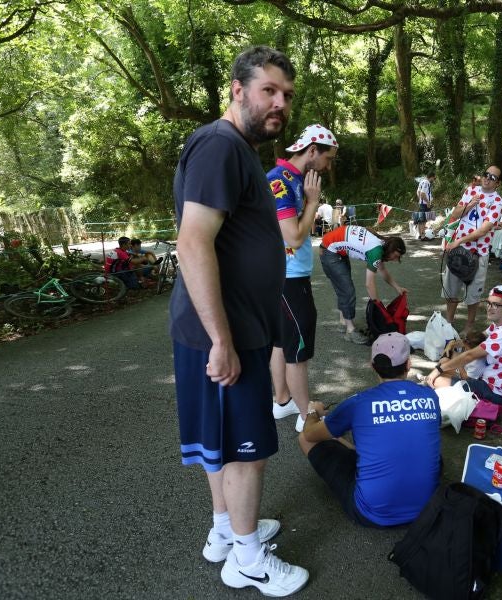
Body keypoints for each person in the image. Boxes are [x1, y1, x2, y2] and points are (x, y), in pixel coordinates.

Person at [168, 46, 308, 596]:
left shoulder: (237, 149)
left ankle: (226, 531)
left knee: (222, 443)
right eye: (268, 91)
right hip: (226, 333)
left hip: (231, 328)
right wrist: (221, 340)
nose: (279, 104)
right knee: (249, 452)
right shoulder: (221, 145)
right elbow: (193, 240)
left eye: (287, 96)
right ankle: (248, 560)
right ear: (236, 89)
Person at [298, 332, 441, 527]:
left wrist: (313, 412)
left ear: (372, 367)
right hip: (426, 509)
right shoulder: (429, 395)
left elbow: (310, 434)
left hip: (372, 513)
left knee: (304, 439)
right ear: (408, 364)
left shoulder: (358, 402)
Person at [266, 124, 339, 434]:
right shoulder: (279, 181)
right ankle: (304, 417)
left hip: (285, 275)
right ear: (312, 151)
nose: (329, 165)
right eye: (328, 158)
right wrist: (312, 202)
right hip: (288, 277)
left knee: (282, 343)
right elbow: (294, 238)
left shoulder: (290, 178)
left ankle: (283, 402)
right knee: (298, 347)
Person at [429, 285, 502, 406]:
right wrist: (453, 343)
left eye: (496, 305)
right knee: (446, 365)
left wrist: (439, 369)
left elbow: (470, 355)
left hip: (496, 393)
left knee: (438, 380)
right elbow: (479, 337)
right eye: (488, 303)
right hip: (497, 386)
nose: (489, 308)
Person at [442, 165, 502, 338]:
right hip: (457, 250)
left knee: (473, 294)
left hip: (478, 254)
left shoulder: (497, 201)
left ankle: (469, 325)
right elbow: (454, 214)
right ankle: (449, 322)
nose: (487, 178)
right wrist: (469, 205)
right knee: (451, 289)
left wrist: (459, 241)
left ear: (498, 183)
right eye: (486, 174)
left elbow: (483, 230)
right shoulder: (471, 191)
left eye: (493, 177)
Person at [320, 225, 407, 344]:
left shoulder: (381, 244)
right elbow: (369, 283)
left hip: (335, 248)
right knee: (347, 290)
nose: (395, 259)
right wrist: (377, 305)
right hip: (329, 251)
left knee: (343, 286)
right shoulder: (376, 251)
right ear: (391, 250)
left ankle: (343, 322)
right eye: (396, 256)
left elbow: (383, 271)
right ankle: (350, 331)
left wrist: (398, 288)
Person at [414, 172, 436, 240]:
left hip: (422, 203)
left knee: (421, 220)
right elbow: (422, 193)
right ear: (431, 177)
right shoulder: (426, 183)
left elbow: (418, 192)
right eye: (434, 178)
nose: (434, 180)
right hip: (425, 204)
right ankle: (423, 236)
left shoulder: (422, 181)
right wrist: (427, 202)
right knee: (423, 220)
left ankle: (420, 235)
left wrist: (420, 200)